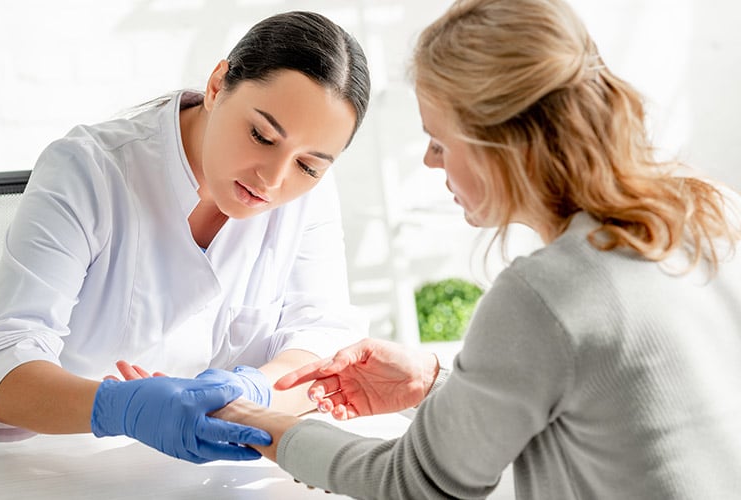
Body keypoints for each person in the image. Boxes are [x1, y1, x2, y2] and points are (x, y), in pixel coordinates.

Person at [213, 0, 741, 497]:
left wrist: (253, 422)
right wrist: (435, 381)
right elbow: (609, 406)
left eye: (440, 141)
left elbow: (415, 483)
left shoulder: (545, 294)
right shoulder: (712, 212)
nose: (428, 162)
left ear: (501, 145)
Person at [0, 10, 371, 463]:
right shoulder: (87, 171)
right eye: (261, 135)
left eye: (308, 165)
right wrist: (117, 409)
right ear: (217, 85)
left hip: (221, 478)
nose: (274, 179)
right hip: (59, 468)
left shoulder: (309, 197)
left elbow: (323, 338)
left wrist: (253, 390)